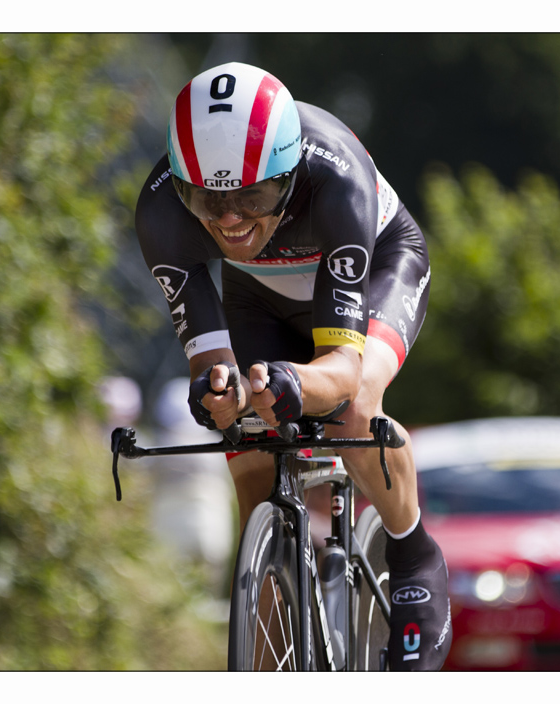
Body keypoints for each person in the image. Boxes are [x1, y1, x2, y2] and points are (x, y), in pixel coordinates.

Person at [134, 62, 450, 671]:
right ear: (181, 186)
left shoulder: (337, 181)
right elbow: (211, 360)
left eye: (253, 196)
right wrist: (219, 394)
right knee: (249, 447)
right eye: (208, 199)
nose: (229, 218)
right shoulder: (161, 213)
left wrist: (293, 382)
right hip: (259, 294)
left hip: (379, 267)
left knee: (351, 409)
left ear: (290, 173)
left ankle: (413, 555)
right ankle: (273, 652)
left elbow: (341, 369)